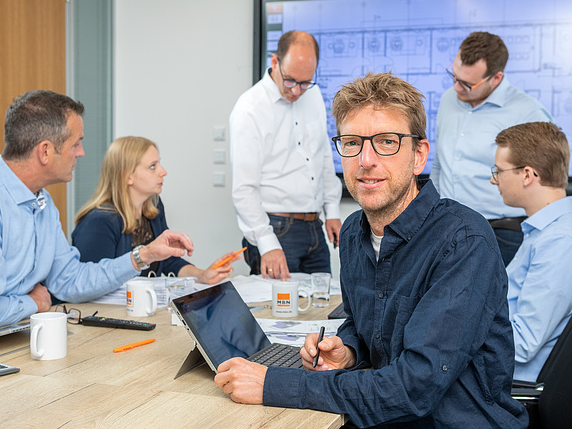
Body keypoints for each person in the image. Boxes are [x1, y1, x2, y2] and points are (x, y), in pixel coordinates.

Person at [215, 73, 528, 428]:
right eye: (351, 142)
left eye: (386, 142)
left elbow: (414, 387)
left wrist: (274, 384)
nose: (365, 160)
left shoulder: (464, 242)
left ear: (419, 156)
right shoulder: (353, 232)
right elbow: (368, 326)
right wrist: (349, 350)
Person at [0, 90, 194, 331]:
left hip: (17, 336)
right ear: (45, 151)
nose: (81, 152)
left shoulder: (43, 203)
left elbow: (69, 280)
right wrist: (33, 302)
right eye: (75, 143)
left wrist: (145, 255)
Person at [491, 122, 572, 382]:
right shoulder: (544, 233)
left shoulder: (560, 244)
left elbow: (522, 344)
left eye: (498, 171)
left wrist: (461, 331)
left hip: (509, 380)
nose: (493, 179)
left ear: (527, 175)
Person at [432, 31, 554, 266]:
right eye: (454, 76)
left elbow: (548, 182)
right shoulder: (448, 99)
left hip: (501, 235)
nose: (456, 87)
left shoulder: (528, 113)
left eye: (467, 84)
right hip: (447, 228)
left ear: (496, 78)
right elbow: (441, 163)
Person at [229, 30, 342, 281]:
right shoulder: (249, 110)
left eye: (305, 82)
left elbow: (322, 155)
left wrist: (332, 209)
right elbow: (244, 189)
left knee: (324, 300)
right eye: (290, 80)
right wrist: (266, 242)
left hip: (314, 226)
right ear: (274, 62)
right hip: (276, 229)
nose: (297, 91)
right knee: (276, 306)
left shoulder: (313, 95)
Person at [72, 136, 240, 284]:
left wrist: (202, 275)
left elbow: (168, 262)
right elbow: (91, 283)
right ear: (127, 176)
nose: (163, 172)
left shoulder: (153, 206)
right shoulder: (98, 222)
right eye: (152, 166)